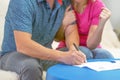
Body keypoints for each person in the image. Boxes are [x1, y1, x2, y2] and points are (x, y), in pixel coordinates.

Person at [0, 0, 87, 80]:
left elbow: (71, 31)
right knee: (31, 67)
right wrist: (63, 56)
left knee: (83, 54)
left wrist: (73, 50)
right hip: (15, 54)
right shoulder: (22, 2)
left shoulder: (64, 2)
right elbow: (23, 45)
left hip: (46, 54)